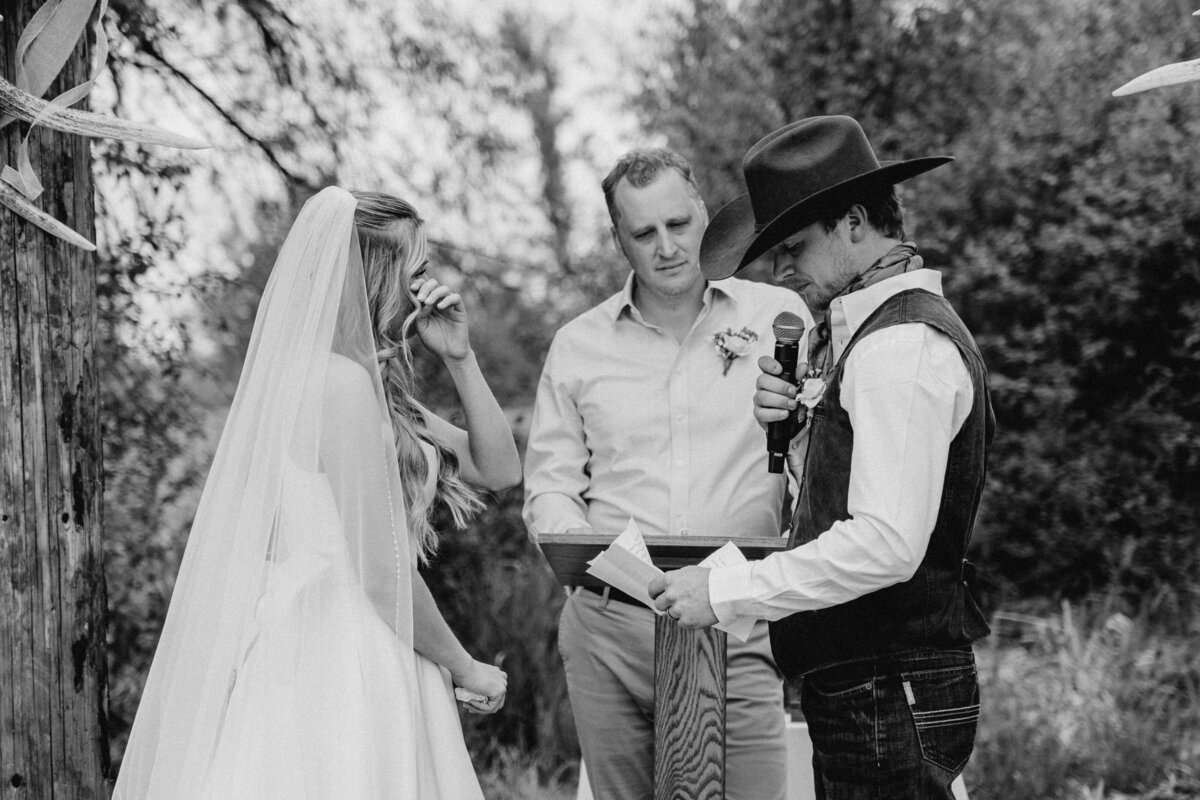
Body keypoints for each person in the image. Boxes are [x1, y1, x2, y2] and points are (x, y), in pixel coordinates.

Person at [113, 187, 522, 799]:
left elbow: (499, 469)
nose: (424, 288)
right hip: (343, 650)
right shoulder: (338, 386)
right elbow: (381, 572)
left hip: (341, 629)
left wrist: (460, 358)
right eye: (418, 270)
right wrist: (467, 668)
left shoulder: (364, 386)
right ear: (375, 278)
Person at [649, 116, 994, 799]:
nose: (783, 270)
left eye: (796, 246)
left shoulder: (898, 349)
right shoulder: (870, 338)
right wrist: (804, 430)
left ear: (856, 223)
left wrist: (725, 590)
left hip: (885, 692)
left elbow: (887, 543)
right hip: (871, 687)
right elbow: (841, 509)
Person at [523, 148, 810, 800]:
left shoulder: (779, 319)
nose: (668, 248)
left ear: (705, 213)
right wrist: (618, 568)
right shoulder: (578, 345)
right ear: (620, 240)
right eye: (644, 233)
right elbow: (550, 486)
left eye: (679, 224)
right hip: (611, 622)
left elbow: (823, 458)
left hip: (736, 614)